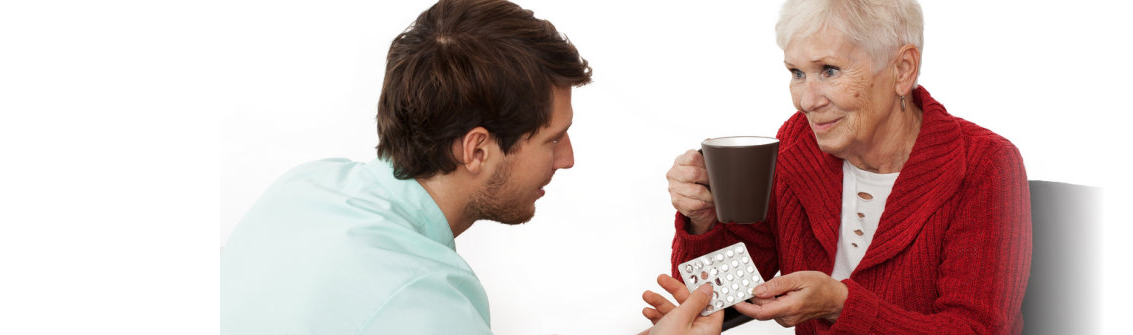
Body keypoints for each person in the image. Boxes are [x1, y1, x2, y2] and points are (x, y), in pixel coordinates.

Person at [646, 0, 1034, 333]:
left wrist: (842, 306)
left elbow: (976, 329)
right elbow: (719, 298)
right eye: (797, 73)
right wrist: (704, 220)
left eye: (829, 70)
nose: (806, 101)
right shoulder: (799, 142)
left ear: (902, 70)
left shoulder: (986, 164)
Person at [220, 0, 595, 333]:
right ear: (477, 149)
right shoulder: (426, 302)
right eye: (554, 139)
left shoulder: (304, 186)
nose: (568, 159)